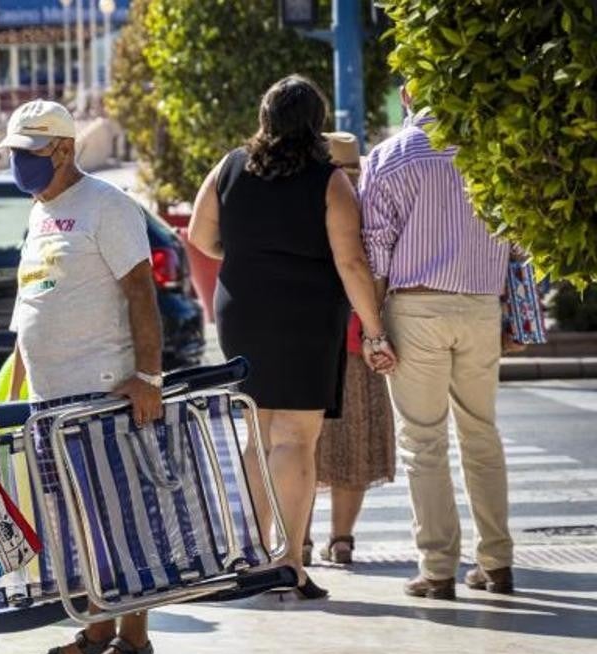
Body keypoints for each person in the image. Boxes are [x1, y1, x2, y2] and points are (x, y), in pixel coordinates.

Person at [188, 75, 396, 600]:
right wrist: (373, 329)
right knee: (296, 440)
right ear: (315, 122)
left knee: (257, 438)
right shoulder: (329, 180)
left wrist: (247, 260)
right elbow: (350, 261)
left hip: (243, 310)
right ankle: (289, 562)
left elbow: (200, 235)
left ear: (265, 116)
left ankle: (252, 555)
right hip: (306, 314)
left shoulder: (230, 166)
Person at [1, 100, 167, 654]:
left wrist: (148, 377)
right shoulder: (41, 210)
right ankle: (96, 633)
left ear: (64, 150)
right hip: (51, 400)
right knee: (76, 525)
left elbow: (142, 294)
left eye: (27, 155)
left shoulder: (108, 206)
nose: (19, 166)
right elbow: (36, 300)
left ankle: (136, 641)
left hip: (103, 396)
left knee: (120, 521)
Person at [361, 85, 514, 599]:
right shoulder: (492, 150)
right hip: (481, 305)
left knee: (423, 441)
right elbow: (517, 241)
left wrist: (374, 330)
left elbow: (376, 251)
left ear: (406, 94)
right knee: (482, 433)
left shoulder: (389, 156)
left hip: (417, 307)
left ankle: (437, 568)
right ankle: (497, 561)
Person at [308, 132, 397, 566]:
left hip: (309, 342)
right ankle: (341, 540)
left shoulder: (306, 205)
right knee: (354, 448)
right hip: (360, 342)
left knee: (302, 446)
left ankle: (298, 540)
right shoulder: (369, 208)